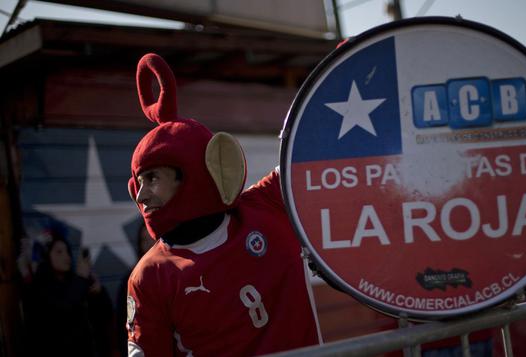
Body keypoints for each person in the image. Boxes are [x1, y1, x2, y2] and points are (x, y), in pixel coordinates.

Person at [125, 53, 321, 356]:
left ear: (190, 174)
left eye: (151, 179)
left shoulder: (266, 204)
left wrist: (344, 72)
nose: (141, 196)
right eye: (138, 183)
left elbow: (315, 146)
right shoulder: (149, 276)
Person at [21, 230, 114, 357]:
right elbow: (62, 309)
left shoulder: (75, 282)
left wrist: (98, 292)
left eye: (67, 252)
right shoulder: (39, 288)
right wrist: (81, 279)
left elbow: (105, 314)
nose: (66, 257)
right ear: (46, 256)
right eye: (59, 252)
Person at [116, 222, 154, 357]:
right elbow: (124, 325)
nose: (149, 244)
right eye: (144, 240)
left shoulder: (172, 276)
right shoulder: (131, 280)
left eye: (151, 238)